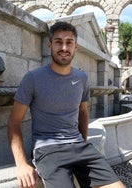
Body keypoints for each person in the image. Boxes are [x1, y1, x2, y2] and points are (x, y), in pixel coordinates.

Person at [7, 21, 125, 188]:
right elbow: (14, 121)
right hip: (48, 150)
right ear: (50, 45)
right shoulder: (33, 78)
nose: (64, 47)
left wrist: (82, 142)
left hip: (79, 147)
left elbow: (83, 112)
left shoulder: (82, 78)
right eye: (58, 41)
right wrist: (21, 164)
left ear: (75, 46)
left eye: (69, 42)